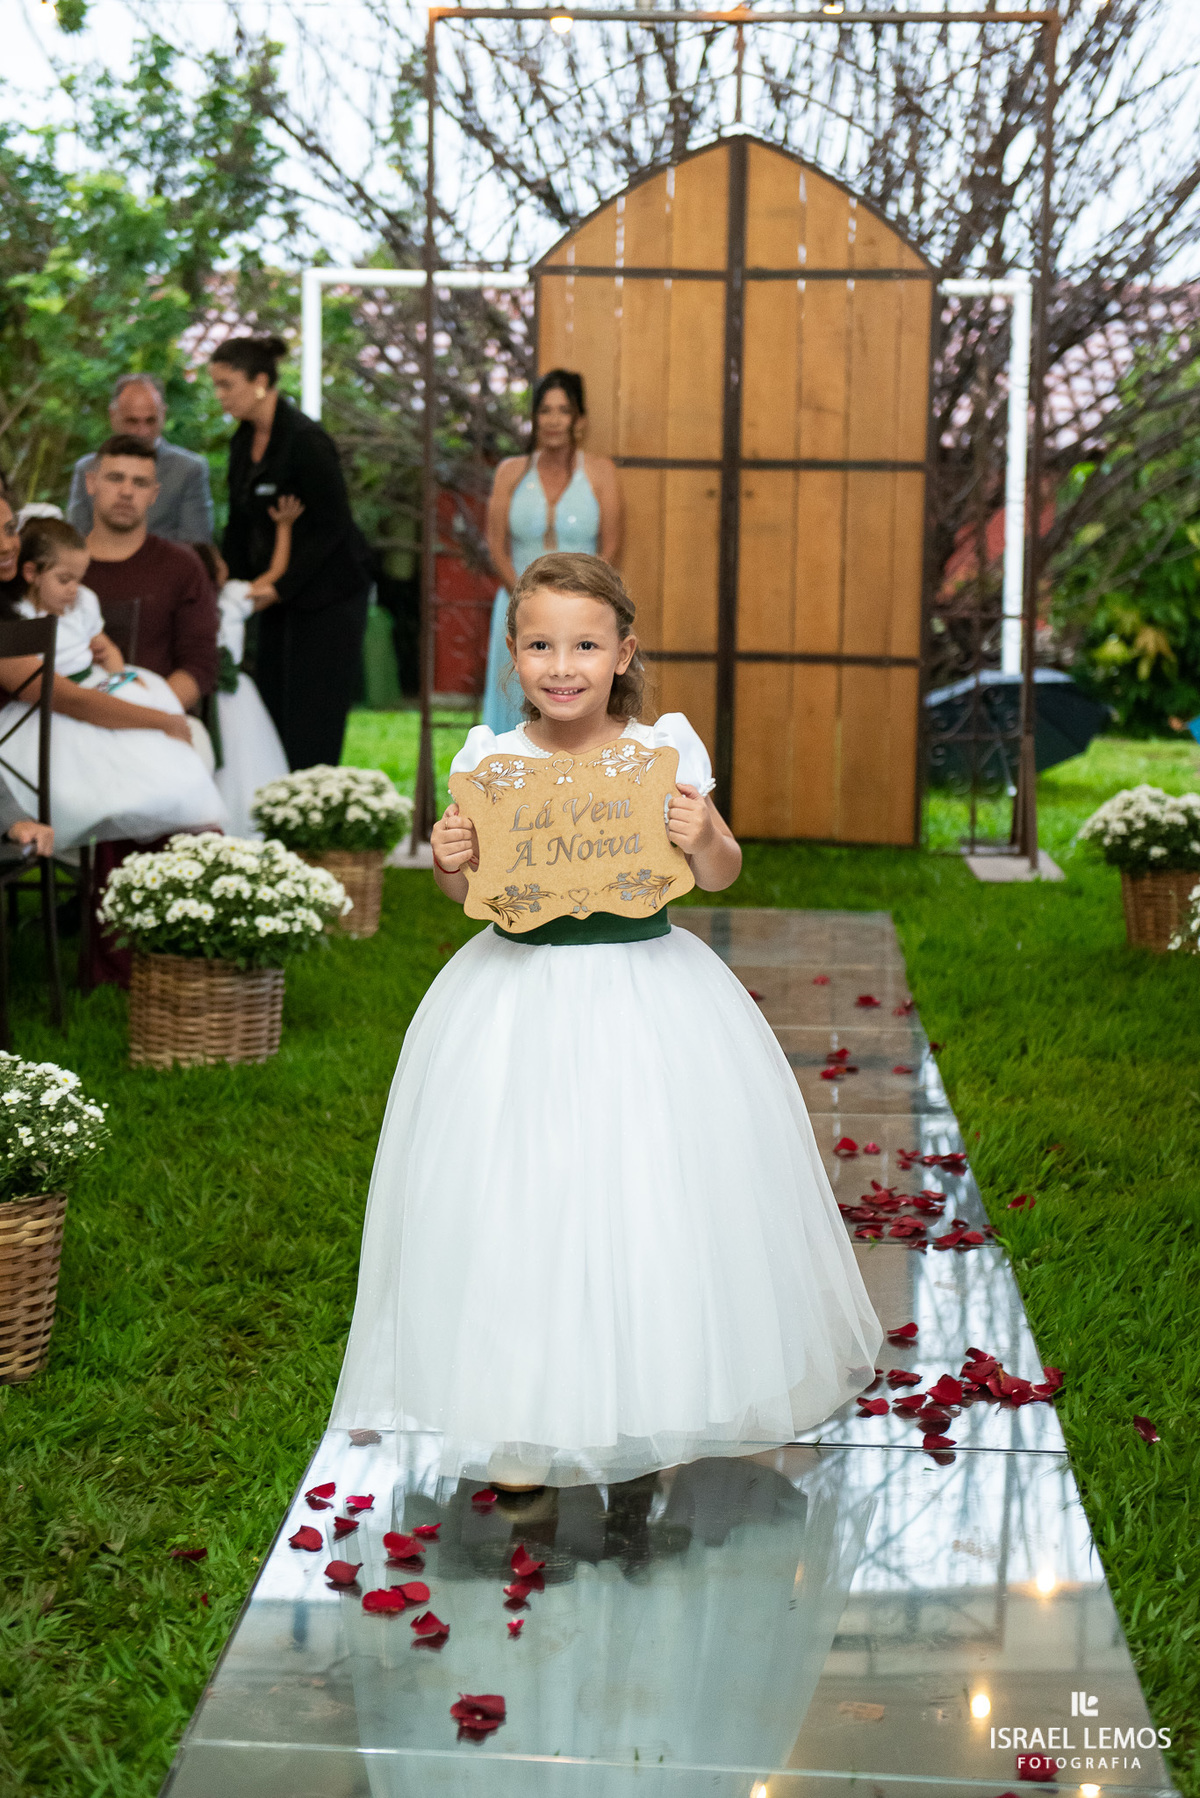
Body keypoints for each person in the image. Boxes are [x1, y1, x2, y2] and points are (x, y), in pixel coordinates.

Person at [330, 550, 881, 1489]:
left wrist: (701, 833)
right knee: (520, 1195)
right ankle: (520, 1416)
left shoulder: (660, 752)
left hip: (645, 995)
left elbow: (718, 872)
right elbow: (470, 888)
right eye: (541, 645)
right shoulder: (491, 763)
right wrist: (449, 852)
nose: (563, 665)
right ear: (514, 655)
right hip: (518, 998)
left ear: (623, 652)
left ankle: (644, 1402)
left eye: (585, 645)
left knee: (644, 1191)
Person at [0, 513, 226, 851]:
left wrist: (119, 676)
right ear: (34, 573)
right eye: (65, 579)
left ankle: (187, 872)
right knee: (126, 775)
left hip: (87, 691)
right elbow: (68, 699)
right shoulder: (15, 613)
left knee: (163, 756)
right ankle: (124, 882)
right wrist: (163, 721)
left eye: (9, 529)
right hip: (45, 719)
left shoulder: (77, 604)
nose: (6, 544)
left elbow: (105, 654)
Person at [210, 334, 371, 770]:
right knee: (273, 703)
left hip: (328, 596)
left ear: (261, 381)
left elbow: (331, 527)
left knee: (311, 713)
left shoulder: (306, 441)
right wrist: (229, 582)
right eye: (216, 385)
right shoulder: (242, 442)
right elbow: (241, 522)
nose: (220, 396)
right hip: (277, 593)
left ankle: (312, 814)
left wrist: (280, 588)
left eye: (227, 384)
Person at [482, 370, 622, 735]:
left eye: (563, 410)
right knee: (514, 698)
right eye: (545, 410)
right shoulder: (510, 472)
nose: (554, 419)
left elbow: (611, 547)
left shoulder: (600, 471)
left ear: (579, 419)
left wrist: (577, 602)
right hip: (514, 605)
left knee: (572, 697)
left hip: (583, 610)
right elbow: (496, 548)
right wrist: (526, 602)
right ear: (534, 418)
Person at [80, 435, 220, 734]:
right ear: (91, 483)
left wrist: (146, 716)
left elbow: (199, 665)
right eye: (115, 478)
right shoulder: (60, 568)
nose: (127, 492)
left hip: (160, 723)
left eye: (140, 483)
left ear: (154, 493)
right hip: (72, 723)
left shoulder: (181, 566)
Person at [191, 504, 297, 837]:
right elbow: (274, 573)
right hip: (201, 694)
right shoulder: (194, 604)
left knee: (241, 764)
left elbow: (276, 573)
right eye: (219, 561)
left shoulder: (234, 597)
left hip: (232, 695)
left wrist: (284, 527)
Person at [67, 374, 214, 543]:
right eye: (132, 421)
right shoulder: (87, 468)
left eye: (150, 421)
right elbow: (75, 542)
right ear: (113, 416)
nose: (142, 432)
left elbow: (197, 544)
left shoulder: (188, 470)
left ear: (163, 414)